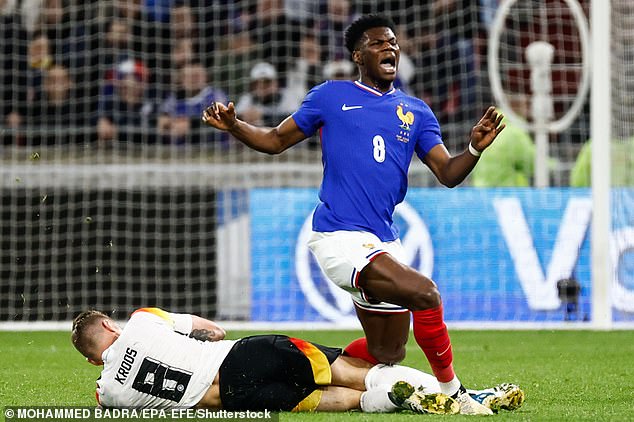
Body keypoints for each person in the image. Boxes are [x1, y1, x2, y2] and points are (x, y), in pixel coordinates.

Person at [202, 14, 506, 415]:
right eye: (379, 43)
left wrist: (474, 150)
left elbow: (448, 174)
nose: (390, 48)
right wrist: (236, 125)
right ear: (358, 55)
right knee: (425, 294)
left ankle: (298, 370)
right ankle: (457, 394)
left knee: (387, 352)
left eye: (393, 42)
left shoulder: (415, 111)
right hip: (339, 236)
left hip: (384, 240)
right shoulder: (331, 96)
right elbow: (276, 140)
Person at [72, 307, 525, 413]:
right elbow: (215, 332)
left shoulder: (108, 391)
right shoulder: (140, 321)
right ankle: (458, 396)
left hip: (236, 400)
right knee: (353, 369)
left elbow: (104, 398)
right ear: (110, 327)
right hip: (243, 355)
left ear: (95, 361)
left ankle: (403, 400)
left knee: (344, 400)